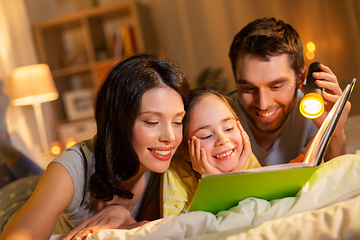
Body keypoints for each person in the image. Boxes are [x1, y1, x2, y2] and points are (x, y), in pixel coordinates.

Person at [0, 53, 190, 240]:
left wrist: (125, 217)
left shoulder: (167, 169)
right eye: (152, 122)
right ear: (118, 121)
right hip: (11, 203)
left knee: (32, 173)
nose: (170, 137)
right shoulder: (72, 168)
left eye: (178, 121)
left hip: (41, 188)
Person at [228, 17, 351, 166]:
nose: (263, 104)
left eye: (276, 86)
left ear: (300, 78)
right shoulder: (222, 117)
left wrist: (334, 132)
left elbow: (336, 181)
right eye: (248, 89)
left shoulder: (313, 107)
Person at [161, 87, 261, 217]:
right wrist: (213, 181)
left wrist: (235, 176)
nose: (222, 140)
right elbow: (176, 229)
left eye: (229, 128)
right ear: (186, 152)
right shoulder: (175, 173)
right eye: (206, 136)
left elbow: (262, 208)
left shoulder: (245, 157)